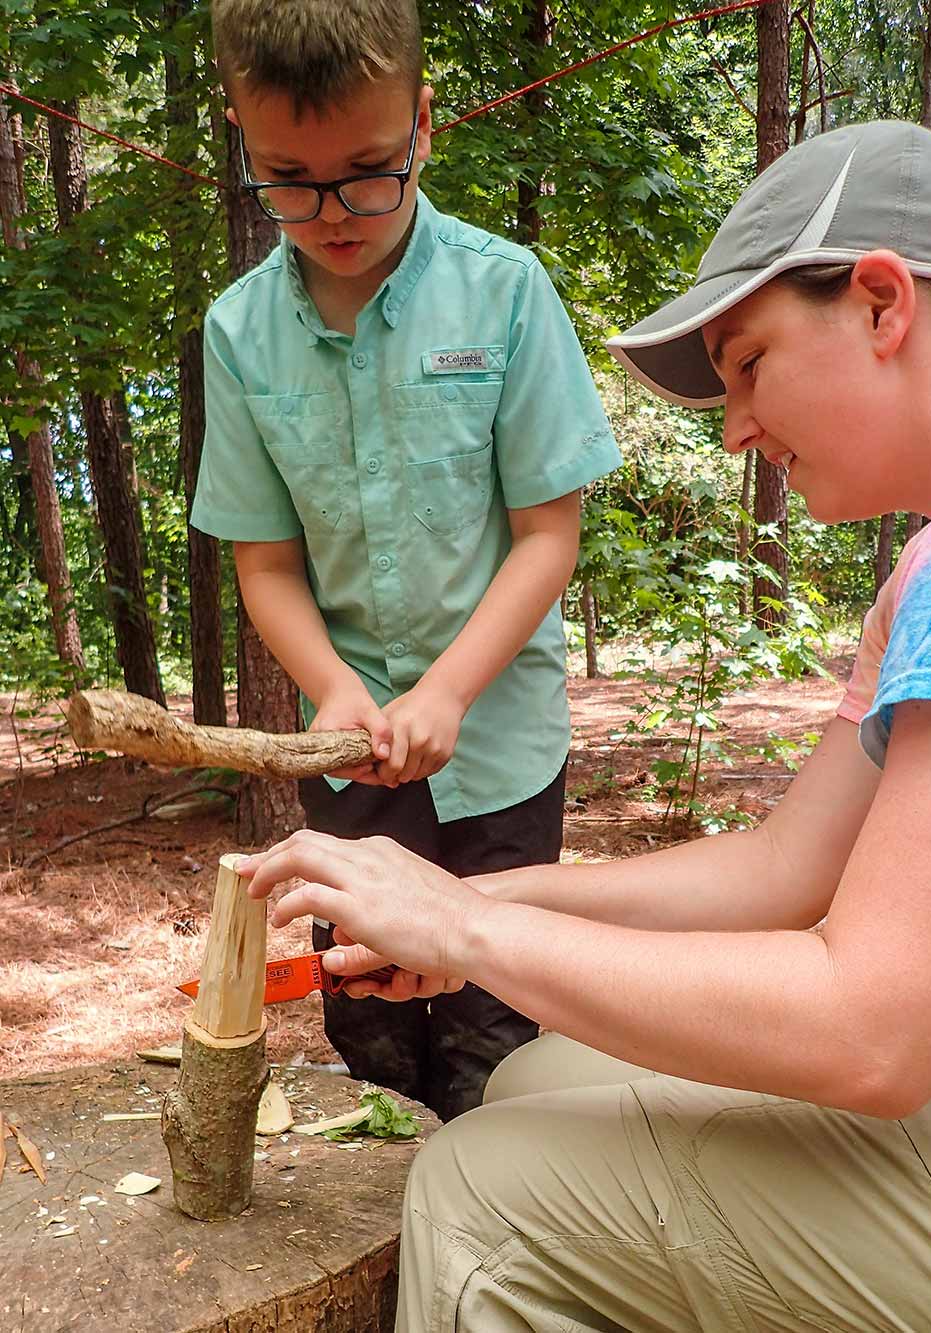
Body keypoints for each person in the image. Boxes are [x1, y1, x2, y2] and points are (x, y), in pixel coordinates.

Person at [238, 117, 931, 1330]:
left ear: (880, 302)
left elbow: (877, 1033)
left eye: (748, 363)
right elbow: (780, 871)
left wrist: (470, 930)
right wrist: (477, 908)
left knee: (478, 1193)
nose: (736, 426)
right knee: (537, 1073)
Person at [190, 0, 621, 1123]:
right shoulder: (239, 332)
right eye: (289, 178)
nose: (333, 213)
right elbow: (266, 564)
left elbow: (547, 535)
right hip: (347, 763)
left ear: (422, 125)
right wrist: (336, 687)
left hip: (501, 749)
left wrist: (446, 690)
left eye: (369, 171)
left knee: (497, 1033)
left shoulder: (504, 291)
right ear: (243, 140)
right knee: (367, 1019)